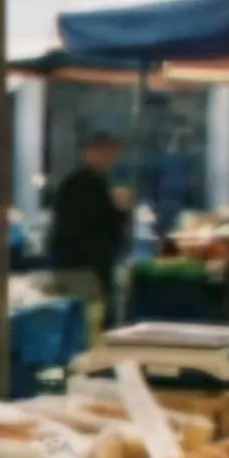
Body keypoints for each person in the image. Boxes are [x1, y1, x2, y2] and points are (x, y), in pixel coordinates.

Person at [45, 131, 134, 336]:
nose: (111, 159)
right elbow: (99, 223)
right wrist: (120, 210)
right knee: (88, 323)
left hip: (88, 266)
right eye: (107, 153)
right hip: (81, 268)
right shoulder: (82, 184)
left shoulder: (93, 183)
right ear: (90, 153)